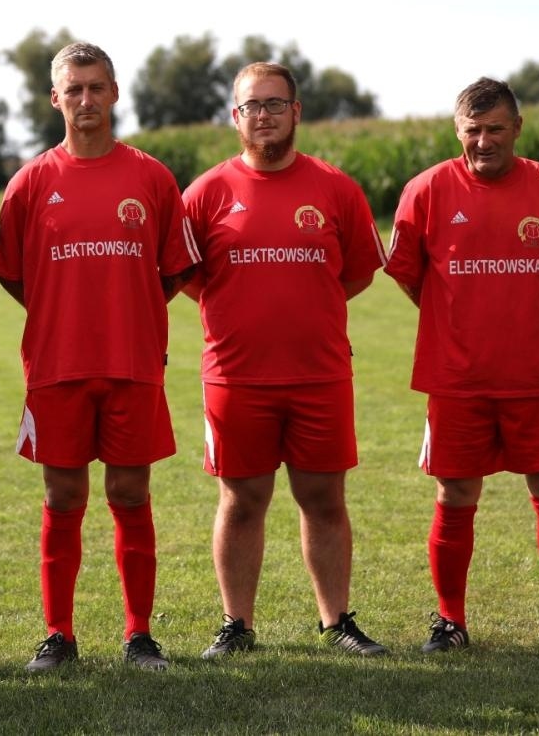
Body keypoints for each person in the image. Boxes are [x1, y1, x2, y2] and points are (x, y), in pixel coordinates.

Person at [0, 41, 200, 672]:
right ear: (55, 99)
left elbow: (170, 272)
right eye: (72, 89)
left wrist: (125, 308)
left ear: (114, 93)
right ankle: (59, 635)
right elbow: (12, 275)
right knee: (61, 498)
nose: (85, 99)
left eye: (95, 87)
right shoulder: (30, 183)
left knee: (132, 494)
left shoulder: (152, 177)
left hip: (133, 360)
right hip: (57, 365)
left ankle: (139, 634)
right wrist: (64, 312)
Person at [383, 77, 539, 653]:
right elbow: (408, 274)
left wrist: (527, 314)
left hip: (538, 376)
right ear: (458, 130)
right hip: (456, 381)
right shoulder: (426, 191)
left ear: (517, 129)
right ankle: (450, 622)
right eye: (473, 130)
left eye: (496, 129)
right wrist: (458, 321)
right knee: (455, 496)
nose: (483, 142)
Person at [181, 62, 388, 660]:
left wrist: (306, 303)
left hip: (319, 372)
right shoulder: (206, 193)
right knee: (241, 502)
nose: (264, 115)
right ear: (235, 116)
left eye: (276, 104)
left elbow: (354, 272)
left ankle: (337, 621)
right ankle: (236, 626)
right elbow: (192, 279)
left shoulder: (335, 188)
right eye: (252, 106)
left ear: (296, 112)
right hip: (236, 376)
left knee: (324, 500)